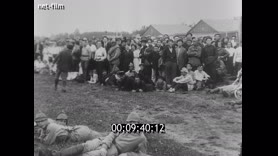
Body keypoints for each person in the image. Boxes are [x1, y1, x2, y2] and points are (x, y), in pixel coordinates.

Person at [52, 112, 149, 156]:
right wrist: (104, 146)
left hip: (115, 149)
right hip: (104, 141)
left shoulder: (141, 138)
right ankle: (55, 154)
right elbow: (111, 135)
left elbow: (141, 154)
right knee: (84, 146)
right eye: (129, 122)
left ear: (138, 123)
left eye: (133, 122)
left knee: (89, 154)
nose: (130, 124)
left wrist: (127, 154)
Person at [35, 112, 102, 145]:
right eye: (38, 122)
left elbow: (47, 142)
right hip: (76, 131)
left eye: (42, 121)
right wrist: (40, 137)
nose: (40, 123)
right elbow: (42, 136)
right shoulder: (45, 126)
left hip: (78, 134)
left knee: (102, 137)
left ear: (46, 120)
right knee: (101, 134)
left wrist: (37, 139)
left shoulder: (51, 126)